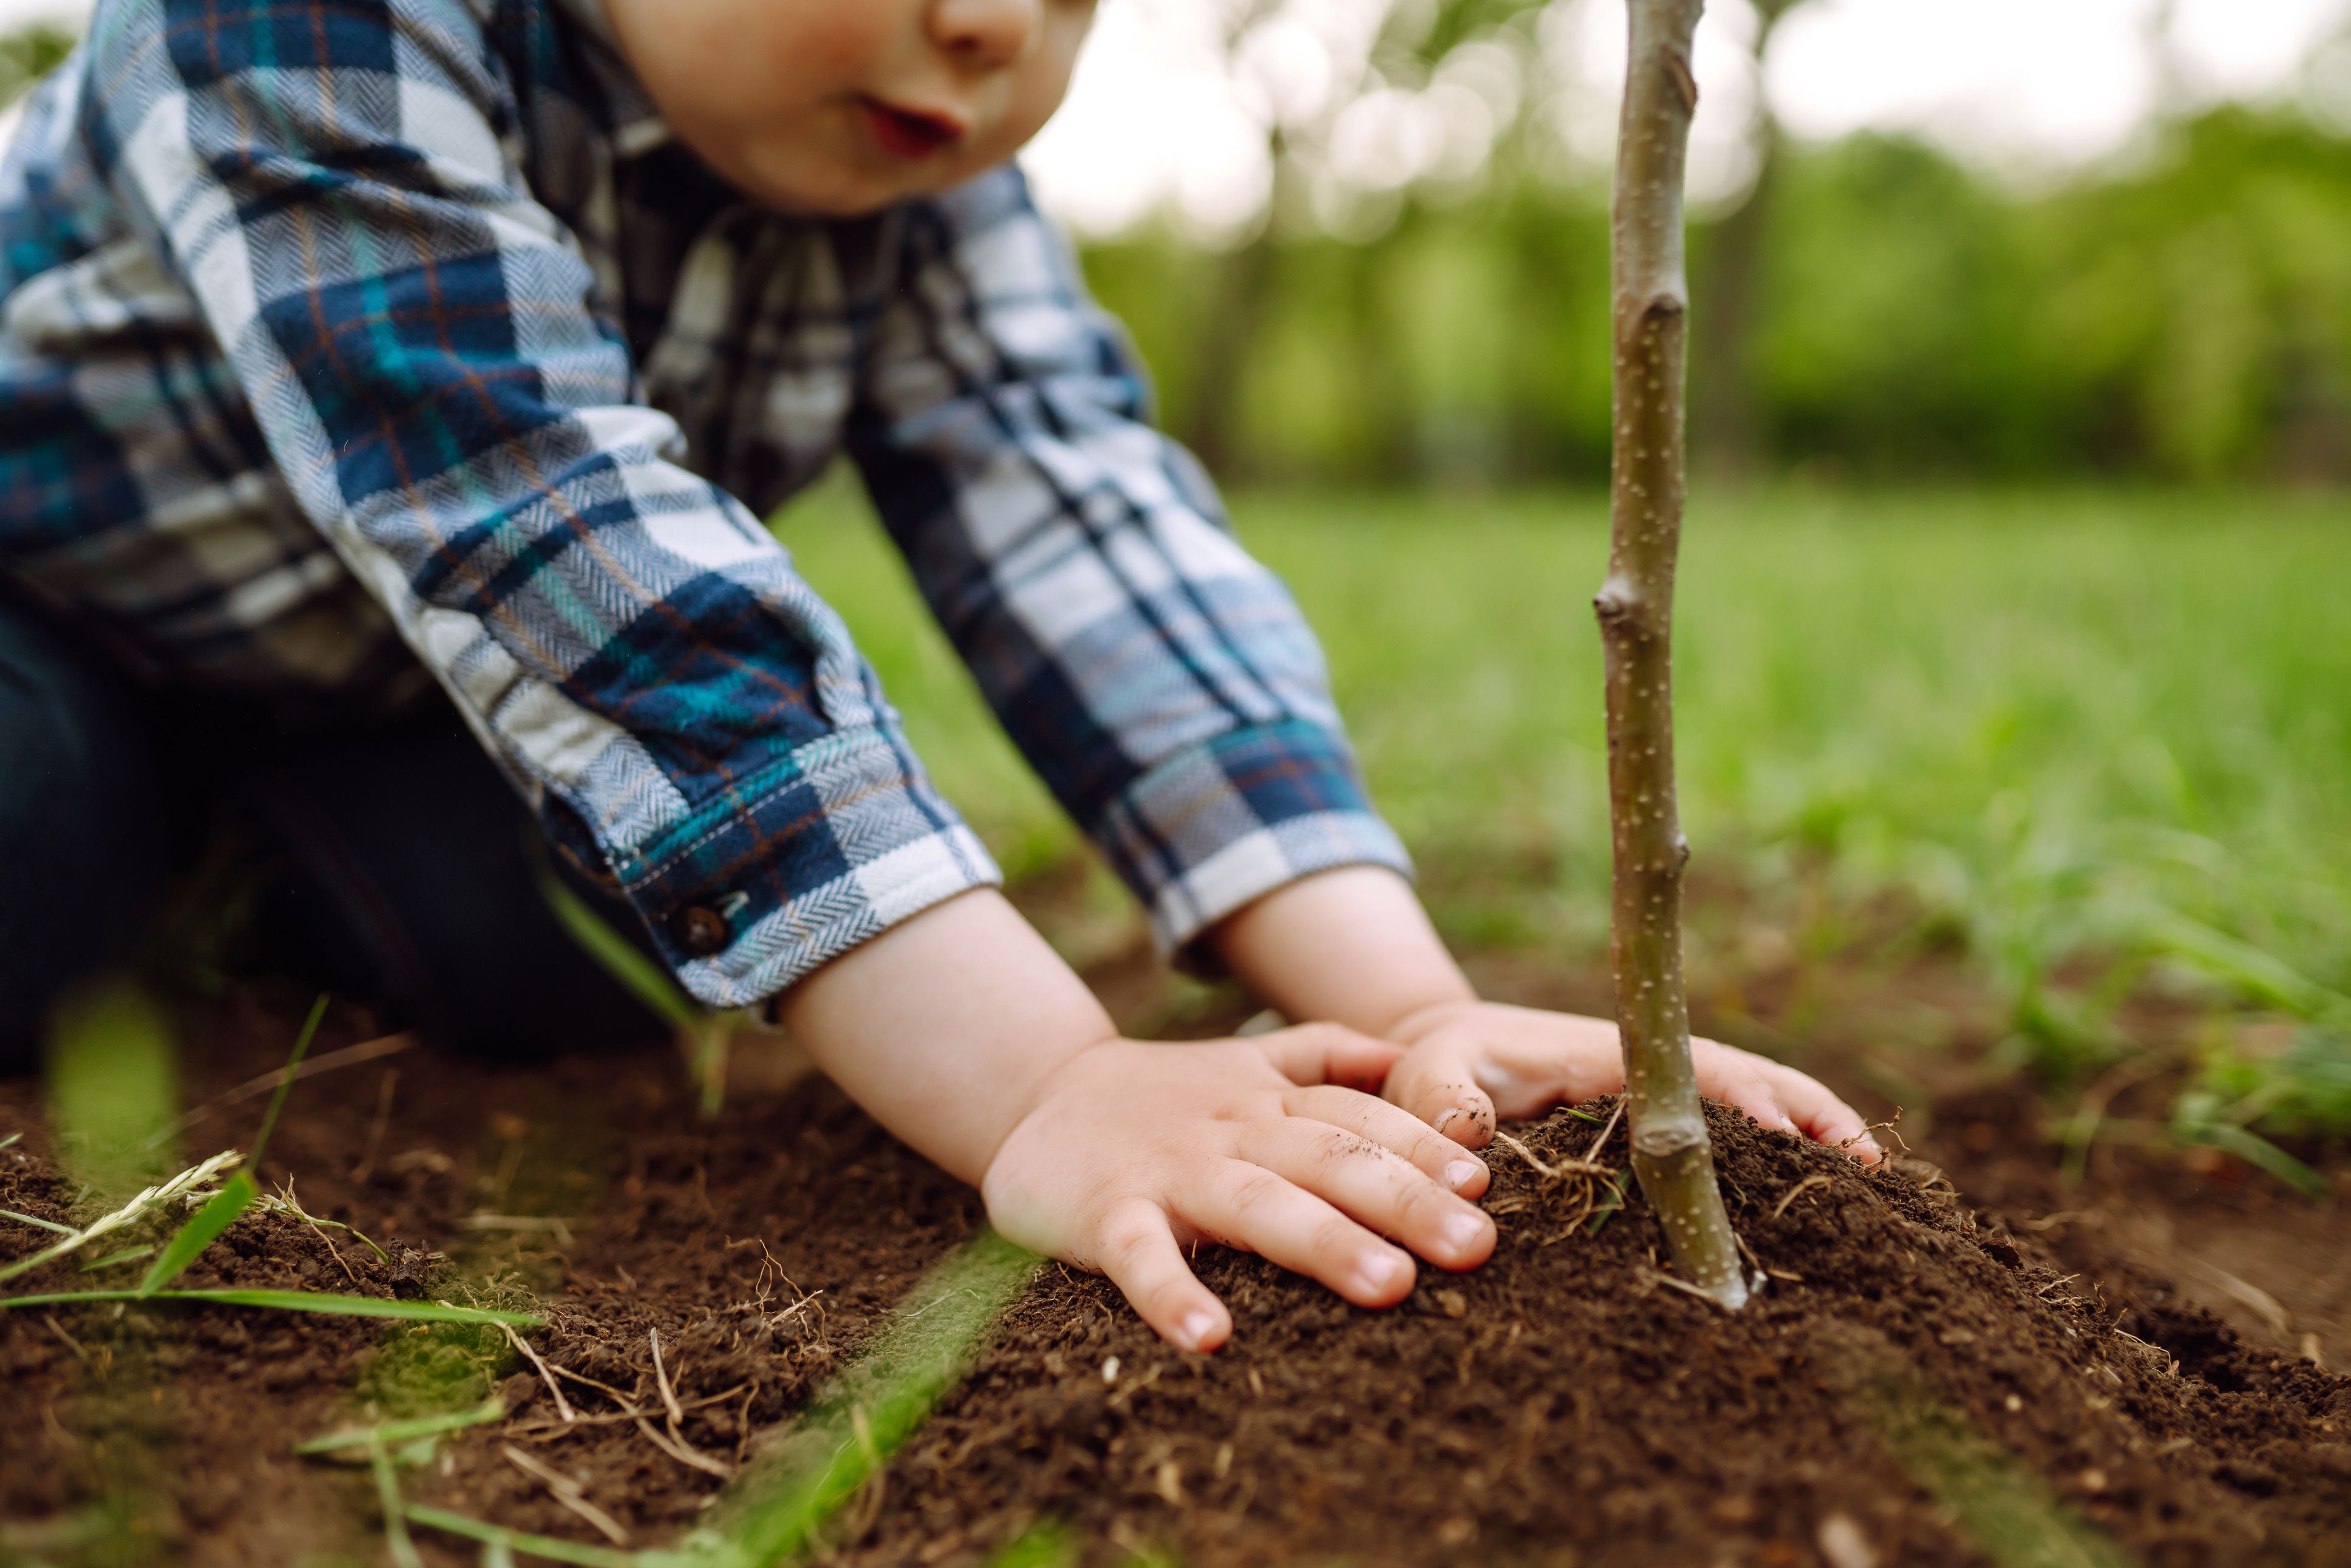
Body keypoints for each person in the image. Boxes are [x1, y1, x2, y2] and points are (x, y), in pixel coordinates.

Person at [0, 0, 1878, 1351]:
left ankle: (224, 857)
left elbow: (1092, 536)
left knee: (571, 966)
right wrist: (1048, 1079)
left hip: (366, 681)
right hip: (48, 595)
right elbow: (551, 536)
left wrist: (1413, 1006)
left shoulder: (922, 176)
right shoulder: (283, 30)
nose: (992, 29)